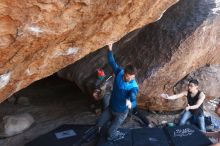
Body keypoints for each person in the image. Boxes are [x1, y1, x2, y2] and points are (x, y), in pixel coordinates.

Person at [97, 42, 139, 141]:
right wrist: (110, 49)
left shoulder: (133, 86)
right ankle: (101, 130)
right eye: (129, 76)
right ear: (125, 73)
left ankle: (115, 135)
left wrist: (131, 104)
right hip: (111, 107)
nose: (131, 79)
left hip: (121, 112)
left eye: (133, 77)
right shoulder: (119, 72)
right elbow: (112, 62)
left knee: (110, 133)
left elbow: (134, 98)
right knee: (98, 123)